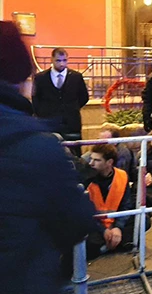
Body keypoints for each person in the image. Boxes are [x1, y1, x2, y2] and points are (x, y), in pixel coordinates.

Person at [0, 21, 97, 293]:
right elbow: (76, 221)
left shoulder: (75, 79)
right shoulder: (36, 146)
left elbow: (84, 98)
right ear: (21, 78)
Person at [86, 144, 145, 260]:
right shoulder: (87, 178)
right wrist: (103, 230)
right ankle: (120, 242)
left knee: (144, 220)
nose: (91, 163)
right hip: (95, 223)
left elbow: (126, 204)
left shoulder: (122, 175)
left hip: (116, 220)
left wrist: (118, 227)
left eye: (97, 160)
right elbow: (86, 211)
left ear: (109, 162)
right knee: (85, 234)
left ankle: (108, 244)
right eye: (91, 159)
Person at [32, 47, 89, 156]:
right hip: (48, 123)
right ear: (52, 60)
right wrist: (43, 114)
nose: (62, 64)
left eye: (64, 60)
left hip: (71, 124)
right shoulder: (41, 78)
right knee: (48, 154)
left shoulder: (76, 77)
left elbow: (84, 97)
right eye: (58, 60)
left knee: (74, 155)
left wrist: (72, 109)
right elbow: (36, 99)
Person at [82, 123, 138, 188]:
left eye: (105, 140)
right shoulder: (91, 154)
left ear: (115, 141)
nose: (101, 143)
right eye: (99, 139)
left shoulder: (124, 153)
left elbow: (126, 175)